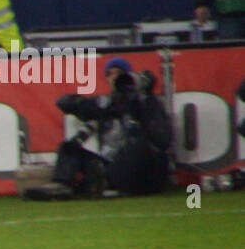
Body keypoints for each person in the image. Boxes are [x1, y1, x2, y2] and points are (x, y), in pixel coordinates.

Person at [23, 58, 172, 200]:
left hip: (144, 172)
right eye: (109, 74)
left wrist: (139, 108)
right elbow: (64, 102)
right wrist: (98, 105)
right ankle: (62, 185)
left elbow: (162, 140)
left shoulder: (148, 102)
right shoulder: (106, 103)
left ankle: (98, 183)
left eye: (119, 74)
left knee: (140, 145)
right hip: (113, 169)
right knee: (69, 147)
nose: (113, 78)